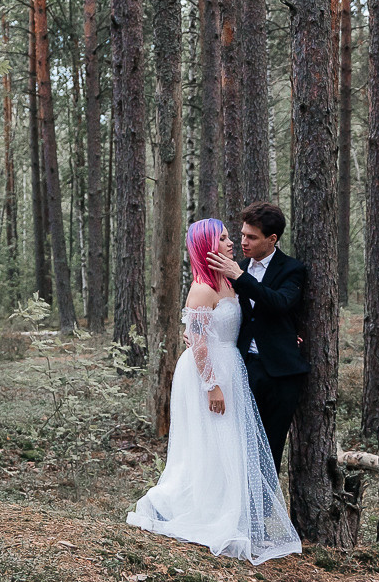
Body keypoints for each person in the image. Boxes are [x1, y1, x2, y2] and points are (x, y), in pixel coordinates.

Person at [127, 220, 301, 563]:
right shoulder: (203, 288)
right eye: (223, 238)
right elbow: (200, 344)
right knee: (210, 441)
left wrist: (285, 337)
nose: (231, 242)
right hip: (210, 374)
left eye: (229, 236)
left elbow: (257, 318)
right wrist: (211, 386)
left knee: (230, 444)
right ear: (207, 245)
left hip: (233, 367)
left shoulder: (231, 281)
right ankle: (186, 506)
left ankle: (232, 509)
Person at [206, 202, 308, 469]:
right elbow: (225, 313)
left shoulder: (292, 269)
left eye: (252, 237)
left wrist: (240, 277)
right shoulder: (236, 269)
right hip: (243, 369)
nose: (243, 242)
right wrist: (198, 334)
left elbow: (280, 303)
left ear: (271, 239)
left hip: (282, 374)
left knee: (270, 450)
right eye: (242, 235)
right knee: (239, 446)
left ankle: (261, 510)